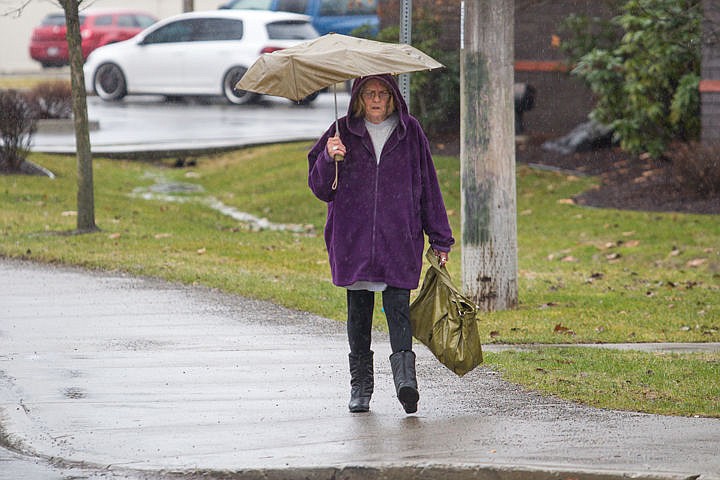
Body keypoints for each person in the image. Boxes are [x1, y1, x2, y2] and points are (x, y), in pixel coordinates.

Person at [307, 74, 454, 414]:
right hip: (353, 237)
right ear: (359, 97)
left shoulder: (410, 131)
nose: (376, 99)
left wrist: (440, 237)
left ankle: (406, 383)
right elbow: (320, 188)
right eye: (369, 93)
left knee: (399, 308)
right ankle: (361, 388)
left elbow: (428, 184)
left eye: (383, 93)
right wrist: (330, 158)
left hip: (398, 236)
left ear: (392, 98)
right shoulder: (340, 131)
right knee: (358, 313)